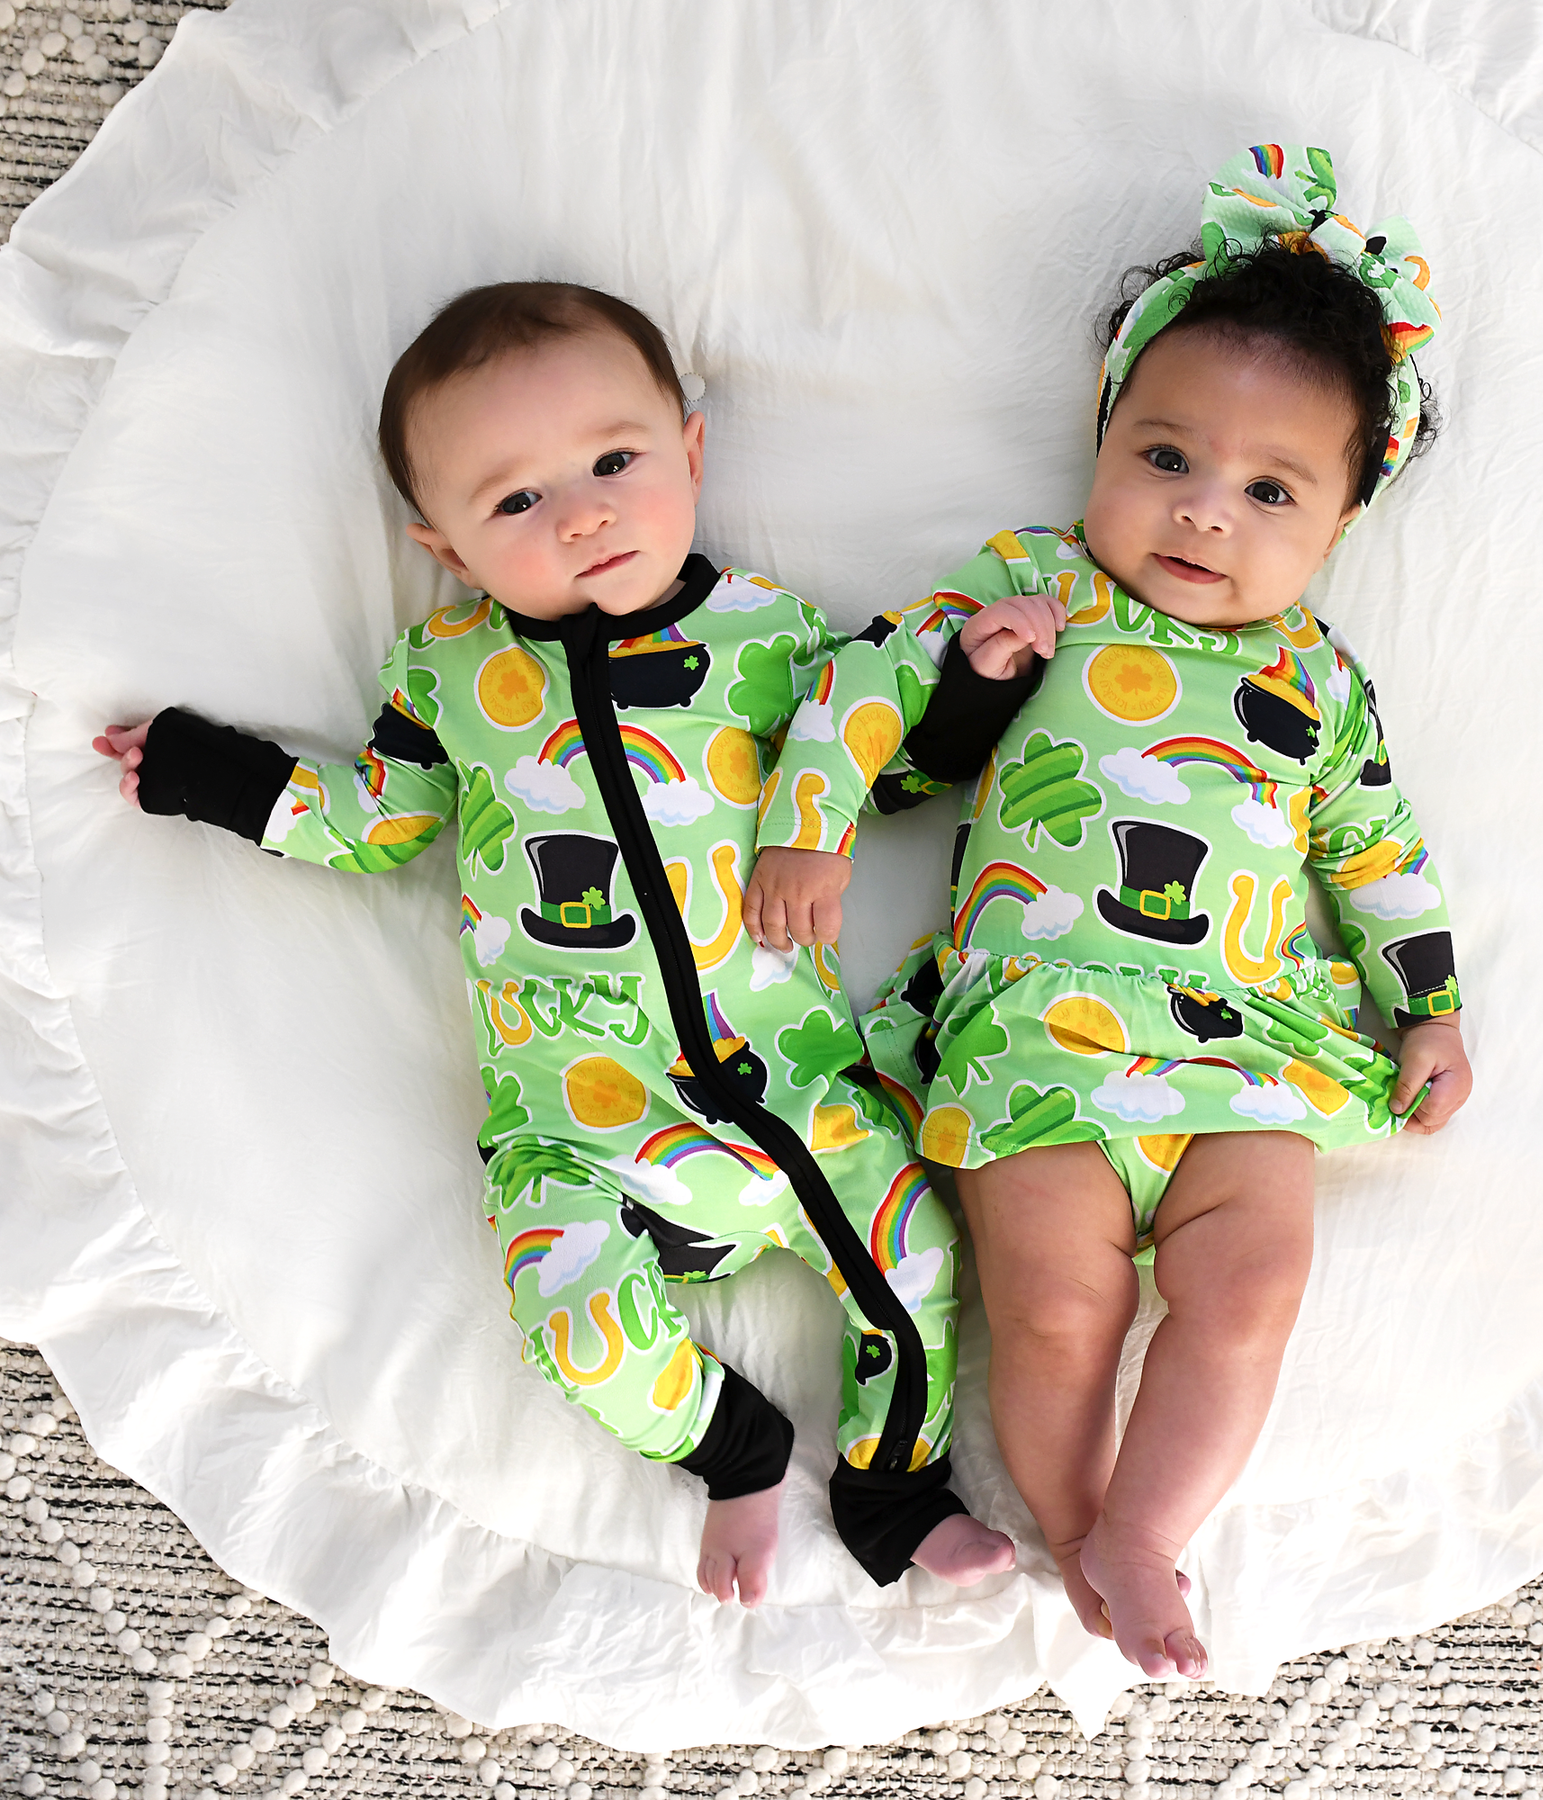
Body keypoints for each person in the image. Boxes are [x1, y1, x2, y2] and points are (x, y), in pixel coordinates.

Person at [94, 280, 1014, 1607]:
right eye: (517, 500)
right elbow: (378, 823)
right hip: (576, 1125)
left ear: (690, 453)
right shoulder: (449, 673)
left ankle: (896, 1487)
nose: (582, 514)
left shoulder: (771, 638)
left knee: (918, 1255)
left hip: (795, 1094)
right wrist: (212, 775)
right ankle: (731, 1444)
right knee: (573, 1323)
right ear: (450, 550)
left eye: (615, 463)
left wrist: (974, 687)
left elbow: (888, 774)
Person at [744, 145, 1474, 1677]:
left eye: (1268, 491)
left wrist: (1430, 1009)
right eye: (1165, 457)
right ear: (1102, 436)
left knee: (1254, 1285)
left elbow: (1379, 853)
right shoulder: (1043, 585)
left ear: (1338, 524)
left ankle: (1149, 1532)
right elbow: (865, 684)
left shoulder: (1320, 681)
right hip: (1040, 1033)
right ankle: (1086, 1537)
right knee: (1054, 1304)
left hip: (1247, 1043)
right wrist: (843, 797)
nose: (1204, 514)